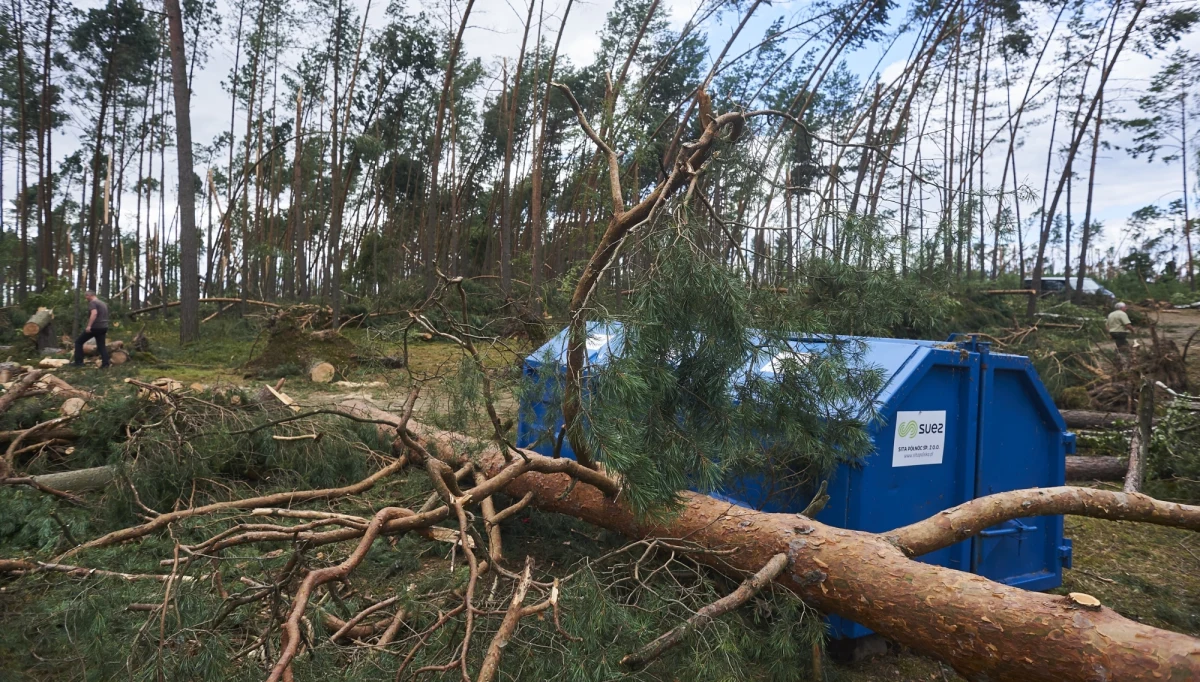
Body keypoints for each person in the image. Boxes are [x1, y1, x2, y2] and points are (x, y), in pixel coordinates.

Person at [74, 291, 111, 368]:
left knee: (78, 342)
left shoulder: (93, 303)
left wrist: (89, 326)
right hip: (103, 327)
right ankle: (106, 364)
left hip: (95, 327)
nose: (86, 298)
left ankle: (78, 362)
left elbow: (94, 313)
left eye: (86, 296)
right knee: (101, 346)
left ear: (90, 295)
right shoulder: (103, 303)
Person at [1107, 301, 1134, 366]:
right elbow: (1127, 325)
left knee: (1120, 345)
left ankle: (1118, 358)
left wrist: (1110, 333)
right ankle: (1122, 361)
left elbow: (1107, 325)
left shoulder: (1111, 314)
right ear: (1122, 308)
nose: (1126, 308)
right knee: (1124, 347)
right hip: (1120, 332)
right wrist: (1133, 330)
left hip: (1113, 332)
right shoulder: (1122, 314)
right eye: (1125, 307)